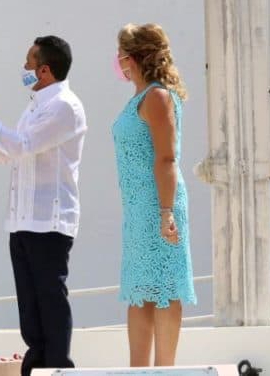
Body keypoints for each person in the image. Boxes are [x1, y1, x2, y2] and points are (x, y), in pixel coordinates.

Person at [0, 35, 86, 376]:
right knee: (30, 307)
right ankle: (35, 366)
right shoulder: (35, 106)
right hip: (22, 221)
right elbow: (5, 153)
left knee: (50, 302)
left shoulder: (65, 106)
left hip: (49, 221)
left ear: (44, 70)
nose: (23, 68)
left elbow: (22, 145)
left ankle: (58, 368)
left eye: (29, 62)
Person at [113, 23, 195, 367]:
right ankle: (138, 371)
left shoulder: (157, 97)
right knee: (140, 290)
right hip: (138, 210)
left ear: (132, 58)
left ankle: (165, 370)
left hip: (160, 205)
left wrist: (166, 212)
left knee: (165, 287)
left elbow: (166, 158)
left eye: (120, 53)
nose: (117, 60)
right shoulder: (141, 96)